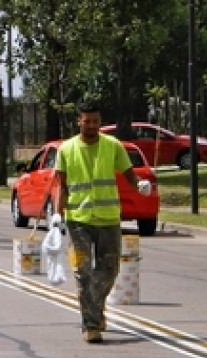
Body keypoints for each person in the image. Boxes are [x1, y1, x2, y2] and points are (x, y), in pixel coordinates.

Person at [52, 101, 152, 343]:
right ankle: (91, 325)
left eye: (95, 121)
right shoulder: (66, 149)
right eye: (87, 121)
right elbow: (60, 185)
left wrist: (139, 185)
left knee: (109, 270)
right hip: (78, 220)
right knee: (82, 272)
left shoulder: (113, 146)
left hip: (108, 219)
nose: (91, 126)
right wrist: (57, 215)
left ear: (100, 122)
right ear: (79, 122)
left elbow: (128, 174)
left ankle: (95, 309)